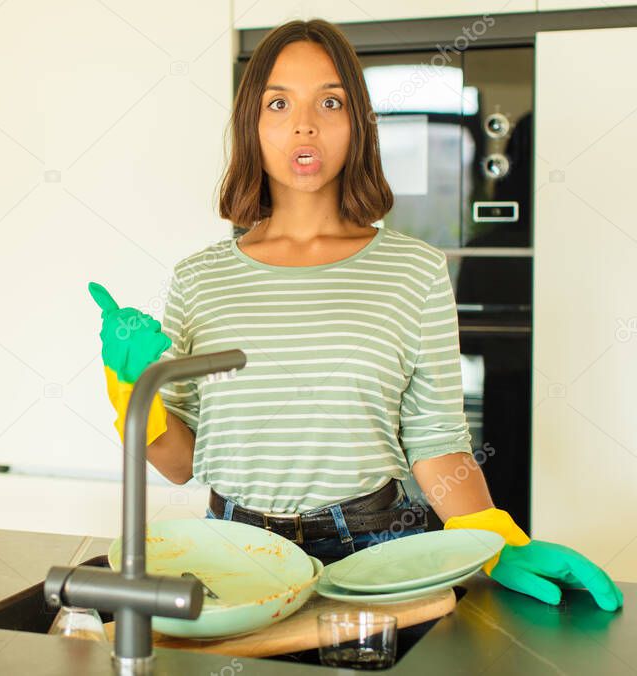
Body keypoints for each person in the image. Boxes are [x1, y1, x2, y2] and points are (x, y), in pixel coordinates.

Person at [90, 19, 621, 612]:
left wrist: (497, 539)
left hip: (375, 549)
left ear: (357, 123)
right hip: (231, 552)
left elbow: (439, 444)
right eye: (278, 102)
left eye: (331, 100)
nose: (304, 123)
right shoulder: (199, 278)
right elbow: (180, 463)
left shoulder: (413, 271)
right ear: (251, 124)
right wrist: (128, 386)